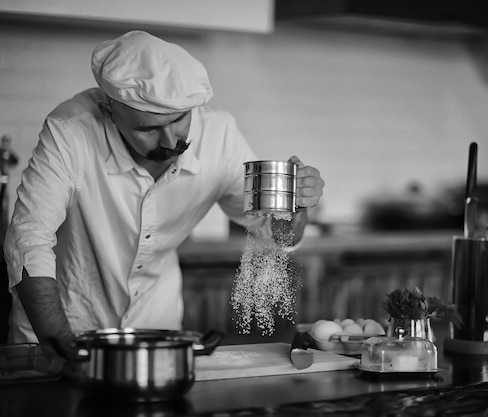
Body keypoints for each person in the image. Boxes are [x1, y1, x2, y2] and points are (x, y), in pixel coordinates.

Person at [3, 31, 325, 370]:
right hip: (61, 332)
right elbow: (28, 239)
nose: (171, 141)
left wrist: (295, 207)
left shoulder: (219, 135)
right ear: (108, 110)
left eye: (179, 120)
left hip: (156, 336)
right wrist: (62, 346)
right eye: (148, 129)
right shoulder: (70, 131)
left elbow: (271, 236)